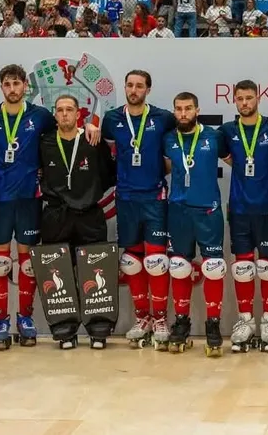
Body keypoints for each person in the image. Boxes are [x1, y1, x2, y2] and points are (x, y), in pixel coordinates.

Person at [0, 64, 100, 349]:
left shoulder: (39, 116)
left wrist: (90, 124)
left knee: (28, 264)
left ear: (26, 85)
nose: (12, 89)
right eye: (7, 84)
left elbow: (67, 132)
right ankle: (0, 320)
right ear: (1, 86)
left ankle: (25, 318)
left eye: (17, 83)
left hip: (30, 198)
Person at [101, 70, 178, 350]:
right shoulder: (111, 120)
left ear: (148, 89)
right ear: (125, 87)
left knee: (156, 261)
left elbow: (173, 154)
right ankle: (142, 318)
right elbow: (108, 152)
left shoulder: (163, 118)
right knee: (132, 261)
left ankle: (160, 319)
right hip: (126, 199)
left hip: (155, 198)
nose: (134, 90)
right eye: (130, 85)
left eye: (140, 86)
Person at [37, 95, 116, 349]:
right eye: (59, 110)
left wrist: (86, 195)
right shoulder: (46, 143)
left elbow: (107, 175)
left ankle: (98, 328)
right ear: (54, 114)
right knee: (58, 272)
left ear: (78, 114)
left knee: (95, 271)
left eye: (69, 110)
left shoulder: (93, 140)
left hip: (89, 213)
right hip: (56, 214)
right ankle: (64, 329)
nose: (64, 114)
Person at [162, 92, 230, 355]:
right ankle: (181, 322)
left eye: (188, 108)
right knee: (179, 267)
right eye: (178, 109)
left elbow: (233, 160)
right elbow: (165, 167)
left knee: (213, 267)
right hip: (178, 210)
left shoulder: (214, 137)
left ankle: (213, 324)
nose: (182, 114)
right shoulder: (168, 139)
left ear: (197, 110)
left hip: (208, 211)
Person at [218, 80, 268, 353]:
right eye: (240, 99)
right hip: (240, 208)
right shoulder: (227, 131)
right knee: (242, 268)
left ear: (258, 98)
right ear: (234, 101)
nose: (245, 103)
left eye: (249, 98)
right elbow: (230, 158)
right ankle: (245, 321)